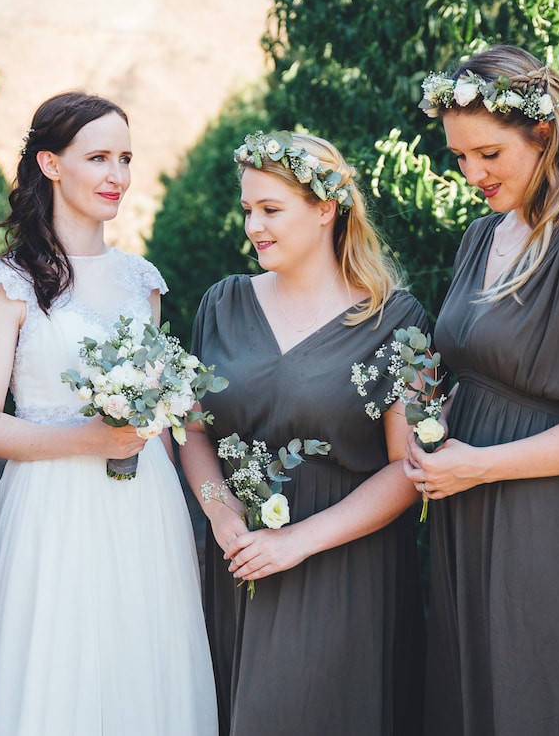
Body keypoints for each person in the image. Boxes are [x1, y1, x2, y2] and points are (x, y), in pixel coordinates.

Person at [408, 45, 559, 733]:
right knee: (472, 701)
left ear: (542, 134)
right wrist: (433, 428)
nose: (471, 174)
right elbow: (481, 372)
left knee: (536, 698)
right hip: (465, 509)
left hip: (545, 520)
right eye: (459, 158)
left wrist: (480, 464)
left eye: (488, 154)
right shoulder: (481, 238)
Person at [0, 91, 217, 735]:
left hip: (144, 503)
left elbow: (158, 418)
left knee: (142, 663)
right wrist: (88, 438)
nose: (117, 177)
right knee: (58, 669)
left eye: (126, 158)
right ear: (50, 164)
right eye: (98, 157)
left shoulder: (143, 281)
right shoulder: (8, 282)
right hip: (51, 503)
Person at [181, 131, 429, 736]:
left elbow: (409, 466)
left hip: (344, 564)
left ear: (325, 209)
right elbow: (190, 427)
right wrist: (220, 516)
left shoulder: (399, 320)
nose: (253, 227)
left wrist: (297, 541)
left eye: (270, 210)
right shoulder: (221, 303)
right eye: (247, 210)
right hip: (235, 554)